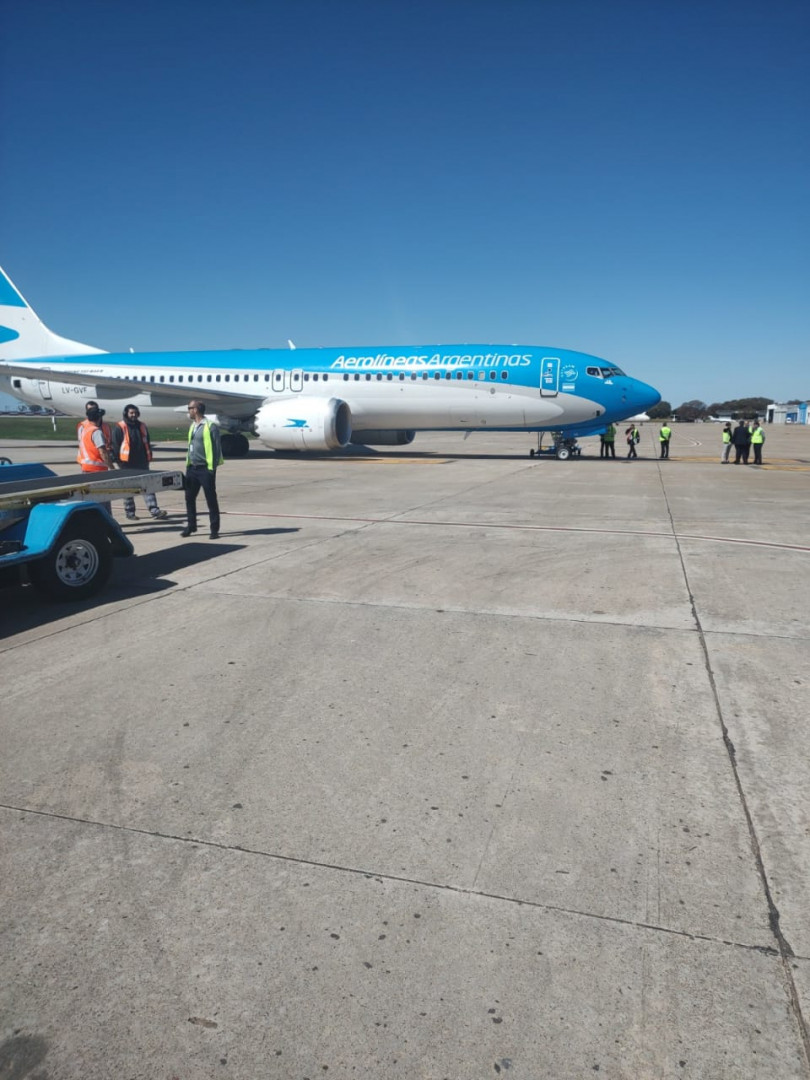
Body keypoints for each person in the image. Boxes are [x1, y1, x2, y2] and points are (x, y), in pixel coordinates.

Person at [112, 403, 168, 521]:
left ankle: (154, 510)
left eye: (135, 413)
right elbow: (116, 446)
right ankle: (130, 512)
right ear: (126, 414)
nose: (133, 415)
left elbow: (147, 442)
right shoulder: (120, 427)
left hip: (142, 462)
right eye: (131, 413)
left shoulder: (142, 426)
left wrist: (149, 456)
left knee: (148, 487)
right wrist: (119, 462)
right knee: (128, 489)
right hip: (126, 463)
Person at [181, 400, 223, 539]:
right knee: (189, 498)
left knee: (210, 499)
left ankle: (214, 529)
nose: (188, 410)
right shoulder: (193, 426)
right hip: (192, 468)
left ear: (196, 410)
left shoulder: (210, 427)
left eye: (190, 408)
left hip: (206, 469)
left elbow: (216, 450)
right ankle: (191, 525)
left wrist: (212, 469)